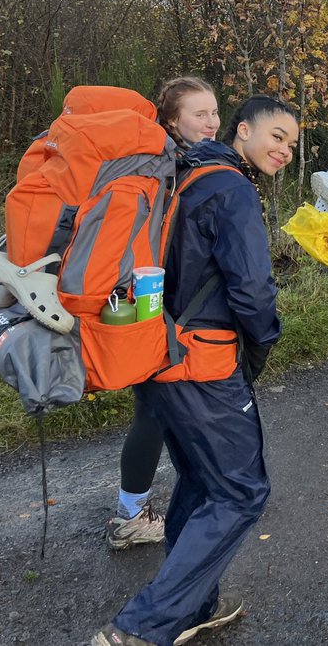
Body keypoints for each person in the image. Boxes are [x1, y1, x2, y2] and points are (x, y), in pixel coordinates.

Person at [93, 95, 299, 646]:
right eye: (277, 136)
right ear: (243, 130)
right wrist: (262, 343)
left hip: (153, 350)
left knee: (204, 480)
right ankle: (140, 628)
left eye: (292, 144)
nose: (284, 150)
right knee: (241, 492)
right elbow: (252, 289)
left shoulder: (181, 172)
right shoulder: (232, 188)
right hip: (203, 363)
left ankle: (196, 605)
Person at [106, 77, 221, 551]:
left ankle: (142, 506)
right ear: (172, 119)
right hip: (158, 305)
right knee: (156, 410)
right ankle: (131, 517)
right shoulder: (167, 166)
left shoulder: (171, 161)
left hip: (151, 301)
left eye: (215, 112)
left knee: (159, 409)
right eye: (200, 114)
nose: (212, 123)